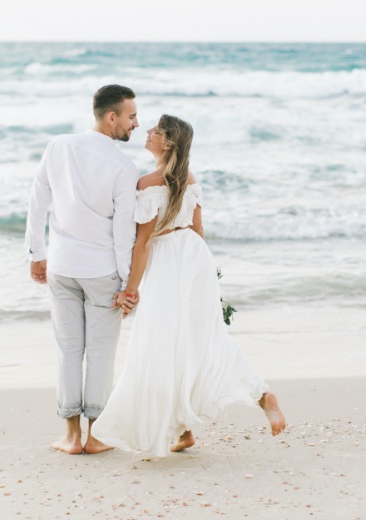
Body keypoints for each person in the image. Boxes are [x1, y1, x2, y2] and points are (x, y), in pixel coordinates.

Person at [91, 115, 286, 458]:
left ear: (166, 142)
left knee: (161, 344)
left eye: (154, 131)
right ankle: (212, 419)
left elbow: (142, 242)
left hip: (167, 259)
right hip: (195, 258)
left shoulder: (148, 182)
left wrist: (130, 289)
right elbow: (198, 232)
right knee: (201, 338)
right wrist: (206, 276)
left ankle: (172, 427)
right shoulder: (188, 179)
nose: (146, 132)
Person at [24, 84, 140, 455]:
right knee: (101, 352)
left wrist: (36, 253)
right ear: (112, 117)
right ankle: (96, 436)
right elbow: (124, 234)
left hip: (61, 266)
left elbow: (38, 200)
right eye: (132, 116)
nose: (136, 123)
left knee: (68, 350)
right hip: (101, 271)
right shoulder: (123, 166)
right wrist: (128, 284)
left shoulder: (59, 145)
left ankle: (71, 437)